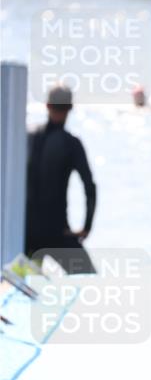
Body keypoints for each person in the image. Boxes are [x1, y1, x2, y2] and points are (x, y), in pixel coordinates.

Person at [25, 85, 97, 273]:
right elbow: (89, 187)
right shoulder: (71, 144)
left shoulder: (27, 137)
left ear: (47, 105)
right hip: (57, 232)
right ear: (70, 108)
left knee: (20, 286)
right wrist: (86, 227)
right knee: (90, 283)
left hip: (26, 233)